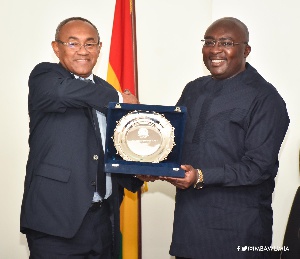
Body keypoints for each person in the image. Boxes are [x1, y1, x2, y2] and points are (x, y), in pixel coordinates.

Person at [162, 17, 289, 259]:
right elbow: (172, 140)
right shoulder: (193, 89)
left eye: (226, 42)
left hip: (238, 232)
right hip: (189, 228)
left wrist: (200, 176)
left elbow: (258, 168)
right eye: (209, 42)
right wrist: (149, 160)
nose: (215, 49)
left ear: (246, 50)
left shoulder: (266, 99)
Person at [20, 17, 143, 259]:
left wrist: (139, 169)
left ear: (99, 48)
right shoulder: (45, 76)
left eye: (90, 44)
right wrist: (120, 98)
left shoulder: (103, 90)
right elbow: (65, 92)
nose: (82, 51)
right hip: (55, 224)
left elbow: (113, 149)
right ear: (57, 48)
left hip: (104, 221)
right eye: (73, 44)